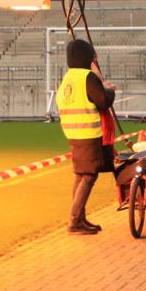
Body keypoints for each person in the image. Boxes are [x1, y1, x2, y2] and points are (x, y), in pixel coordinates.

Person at [57, 39, 115, 235]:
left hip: (73, 132)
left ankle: (80, 217)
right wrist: (109, 90)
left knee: (80, 174)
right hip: (88, 132)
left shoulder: (68, 77)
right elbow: (103, 101)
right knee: (89, 175)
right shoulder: (87, 77)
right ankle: (74, 220)